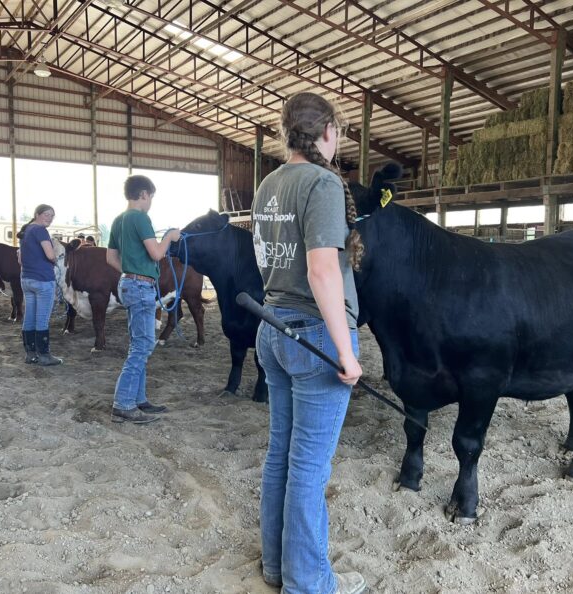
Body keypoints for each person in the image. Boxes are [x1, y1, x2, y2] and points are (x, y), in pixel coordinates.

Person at [251, 92, 365, 594]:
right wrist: (344, 350)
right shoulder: (321, 183)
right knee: (309, 466)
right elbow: (322, 271)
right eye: (337, 130)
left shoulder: (268, 184)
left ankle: (277, 567)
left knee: (282, 454)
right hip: (313, 333)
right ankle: (309, 584)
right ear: (326, 132)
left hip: (271, 326)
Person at [106, 175, 181, 424]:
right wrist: (170, 235)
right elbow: (157, 253)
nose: (150, 203)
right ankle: (124, 403)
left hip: (128, 283)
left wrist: (130, 271)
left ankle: (138, 399)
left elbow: (110, 258)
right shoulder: (140, 217)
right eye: (151, 197)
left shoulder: (118, 220)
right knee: (142, 346)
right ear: (144, 194)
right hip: (141, 286)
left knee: (140, 343)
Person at [19, 204, 62, 366]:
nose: (49, 218)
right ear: (37, 214)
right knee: (42, 319)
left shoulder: (26, 231)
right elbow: (50, 255)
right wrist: (56, 258)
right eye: (46, 214)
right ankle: (44, 355)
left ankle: (30, 354)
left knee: (29, 317)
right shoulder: (41, 231)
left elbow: (20, 259)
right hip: (43, 279)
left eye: (52, 216)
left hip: (27, 279)